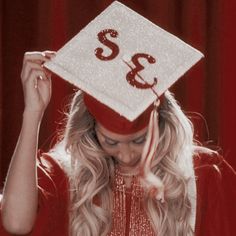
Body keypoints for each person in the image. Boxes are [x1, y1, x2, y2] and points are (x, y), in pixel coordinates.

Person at [1, 2, 236, 235]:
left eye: (139, 140)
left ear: (161, 124)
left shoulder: (201, 174)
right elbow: (16, 224)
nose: (126, 155)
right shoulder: (69, 174)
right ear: (92, 132)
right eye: (111, 142)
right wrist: (33, 112)